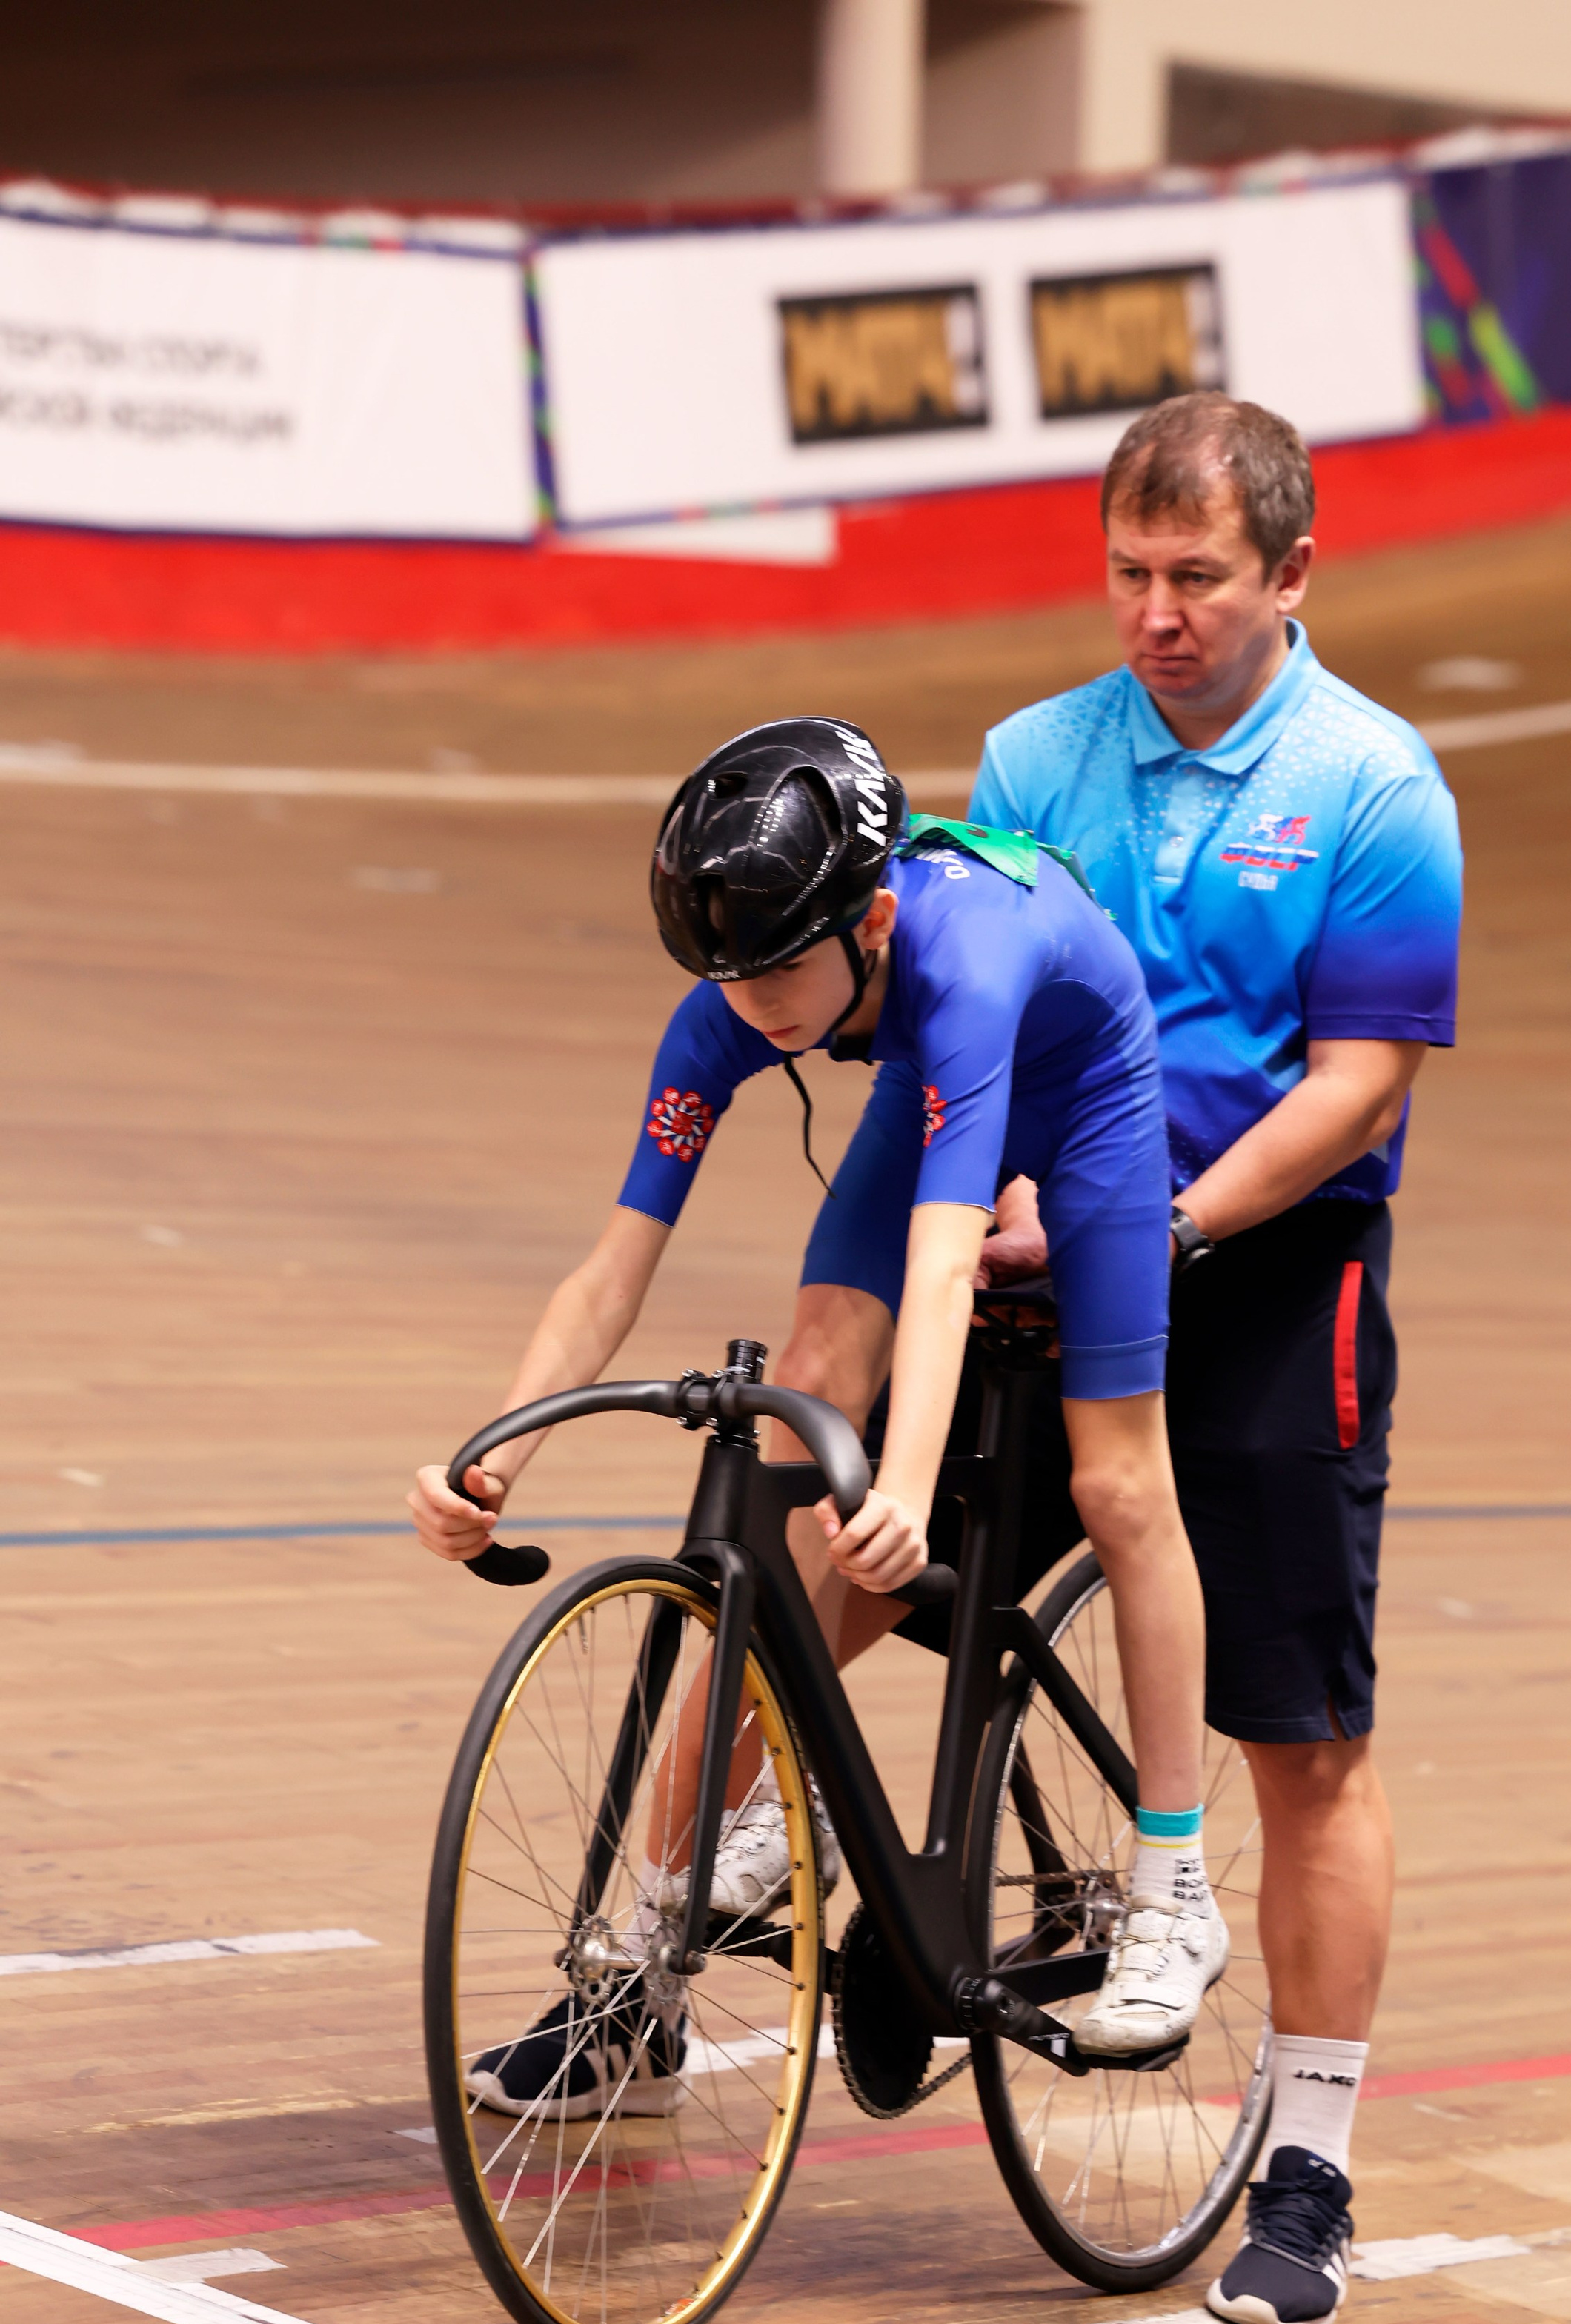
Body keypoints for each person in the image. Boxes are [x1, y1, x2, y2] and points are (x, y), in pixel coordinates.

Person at [409, 715, 1224, 2106]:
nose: (753, 1001)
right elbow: (616, 1266)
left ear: (876, 919)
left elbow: (946, 1257)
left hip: (1084, 1097)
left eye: (783, 964)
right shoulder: (731, 1003)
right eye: (726, 974)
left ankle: (1176, 1883)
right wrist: (496, 1454)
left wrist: (901, 1489)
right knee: (804, 1381)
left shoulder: (956, 962)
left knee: (1117, 1486)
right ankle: (645, 1991)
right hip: (924, 1077)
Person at [968, 391, 1462, 2324]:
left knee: (1307, 1738)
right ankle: (647, 1957)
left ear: (1291, 578)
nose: (1156, 613)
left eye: (1197, 579)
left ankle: (1313, 2172)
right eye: (1129, 574)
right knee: (842, 1554)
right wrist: (1019, 1196)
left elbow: (1361, 1084)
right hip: (1047, 1250)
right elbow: (982, 1010)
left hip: (1270, 1271)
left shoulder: (1372, 782)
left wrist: (1165, 1229)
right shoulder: (1032, 755)